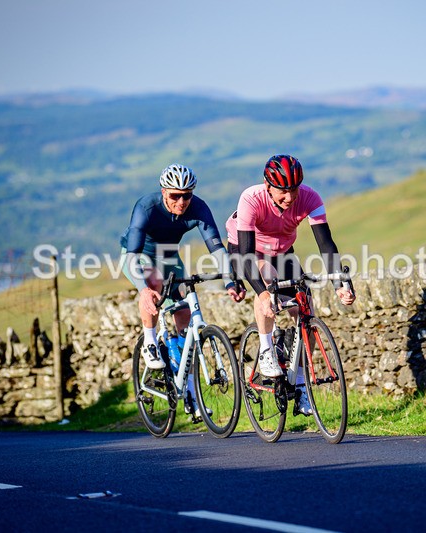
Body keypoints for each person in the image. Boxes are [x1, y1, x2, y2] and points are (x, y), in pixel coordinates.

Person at [226, 154, 355, 416]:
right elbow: (249, 257)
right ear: (268, 186)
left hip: (282, 249)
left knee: (304, 307)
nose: (289, 197)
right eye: (283, 191)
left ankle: (299, 384)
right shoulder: (251, 198)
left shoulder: (310, 198)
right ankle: (265, 349)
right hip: (247, 249)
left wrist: (339, 283)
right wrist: (263, 294)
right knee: (269, 280)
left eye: (293, 189)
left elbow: (326, 245)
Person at [120, 164, 245, 417]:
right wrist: (144, 290)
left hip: (168, 255)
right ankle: (150, 342)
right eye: (175, 195)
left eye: (186, 195)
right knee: (153, 283)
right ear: (164, 192)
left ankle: (188, 391)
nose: (181, 201)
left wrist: (230, 281)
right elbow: (132, 255)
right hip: (138, 254)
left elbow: (217, 248)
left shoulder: (198, 207)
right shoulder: (146, 207)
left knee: (186, 313)